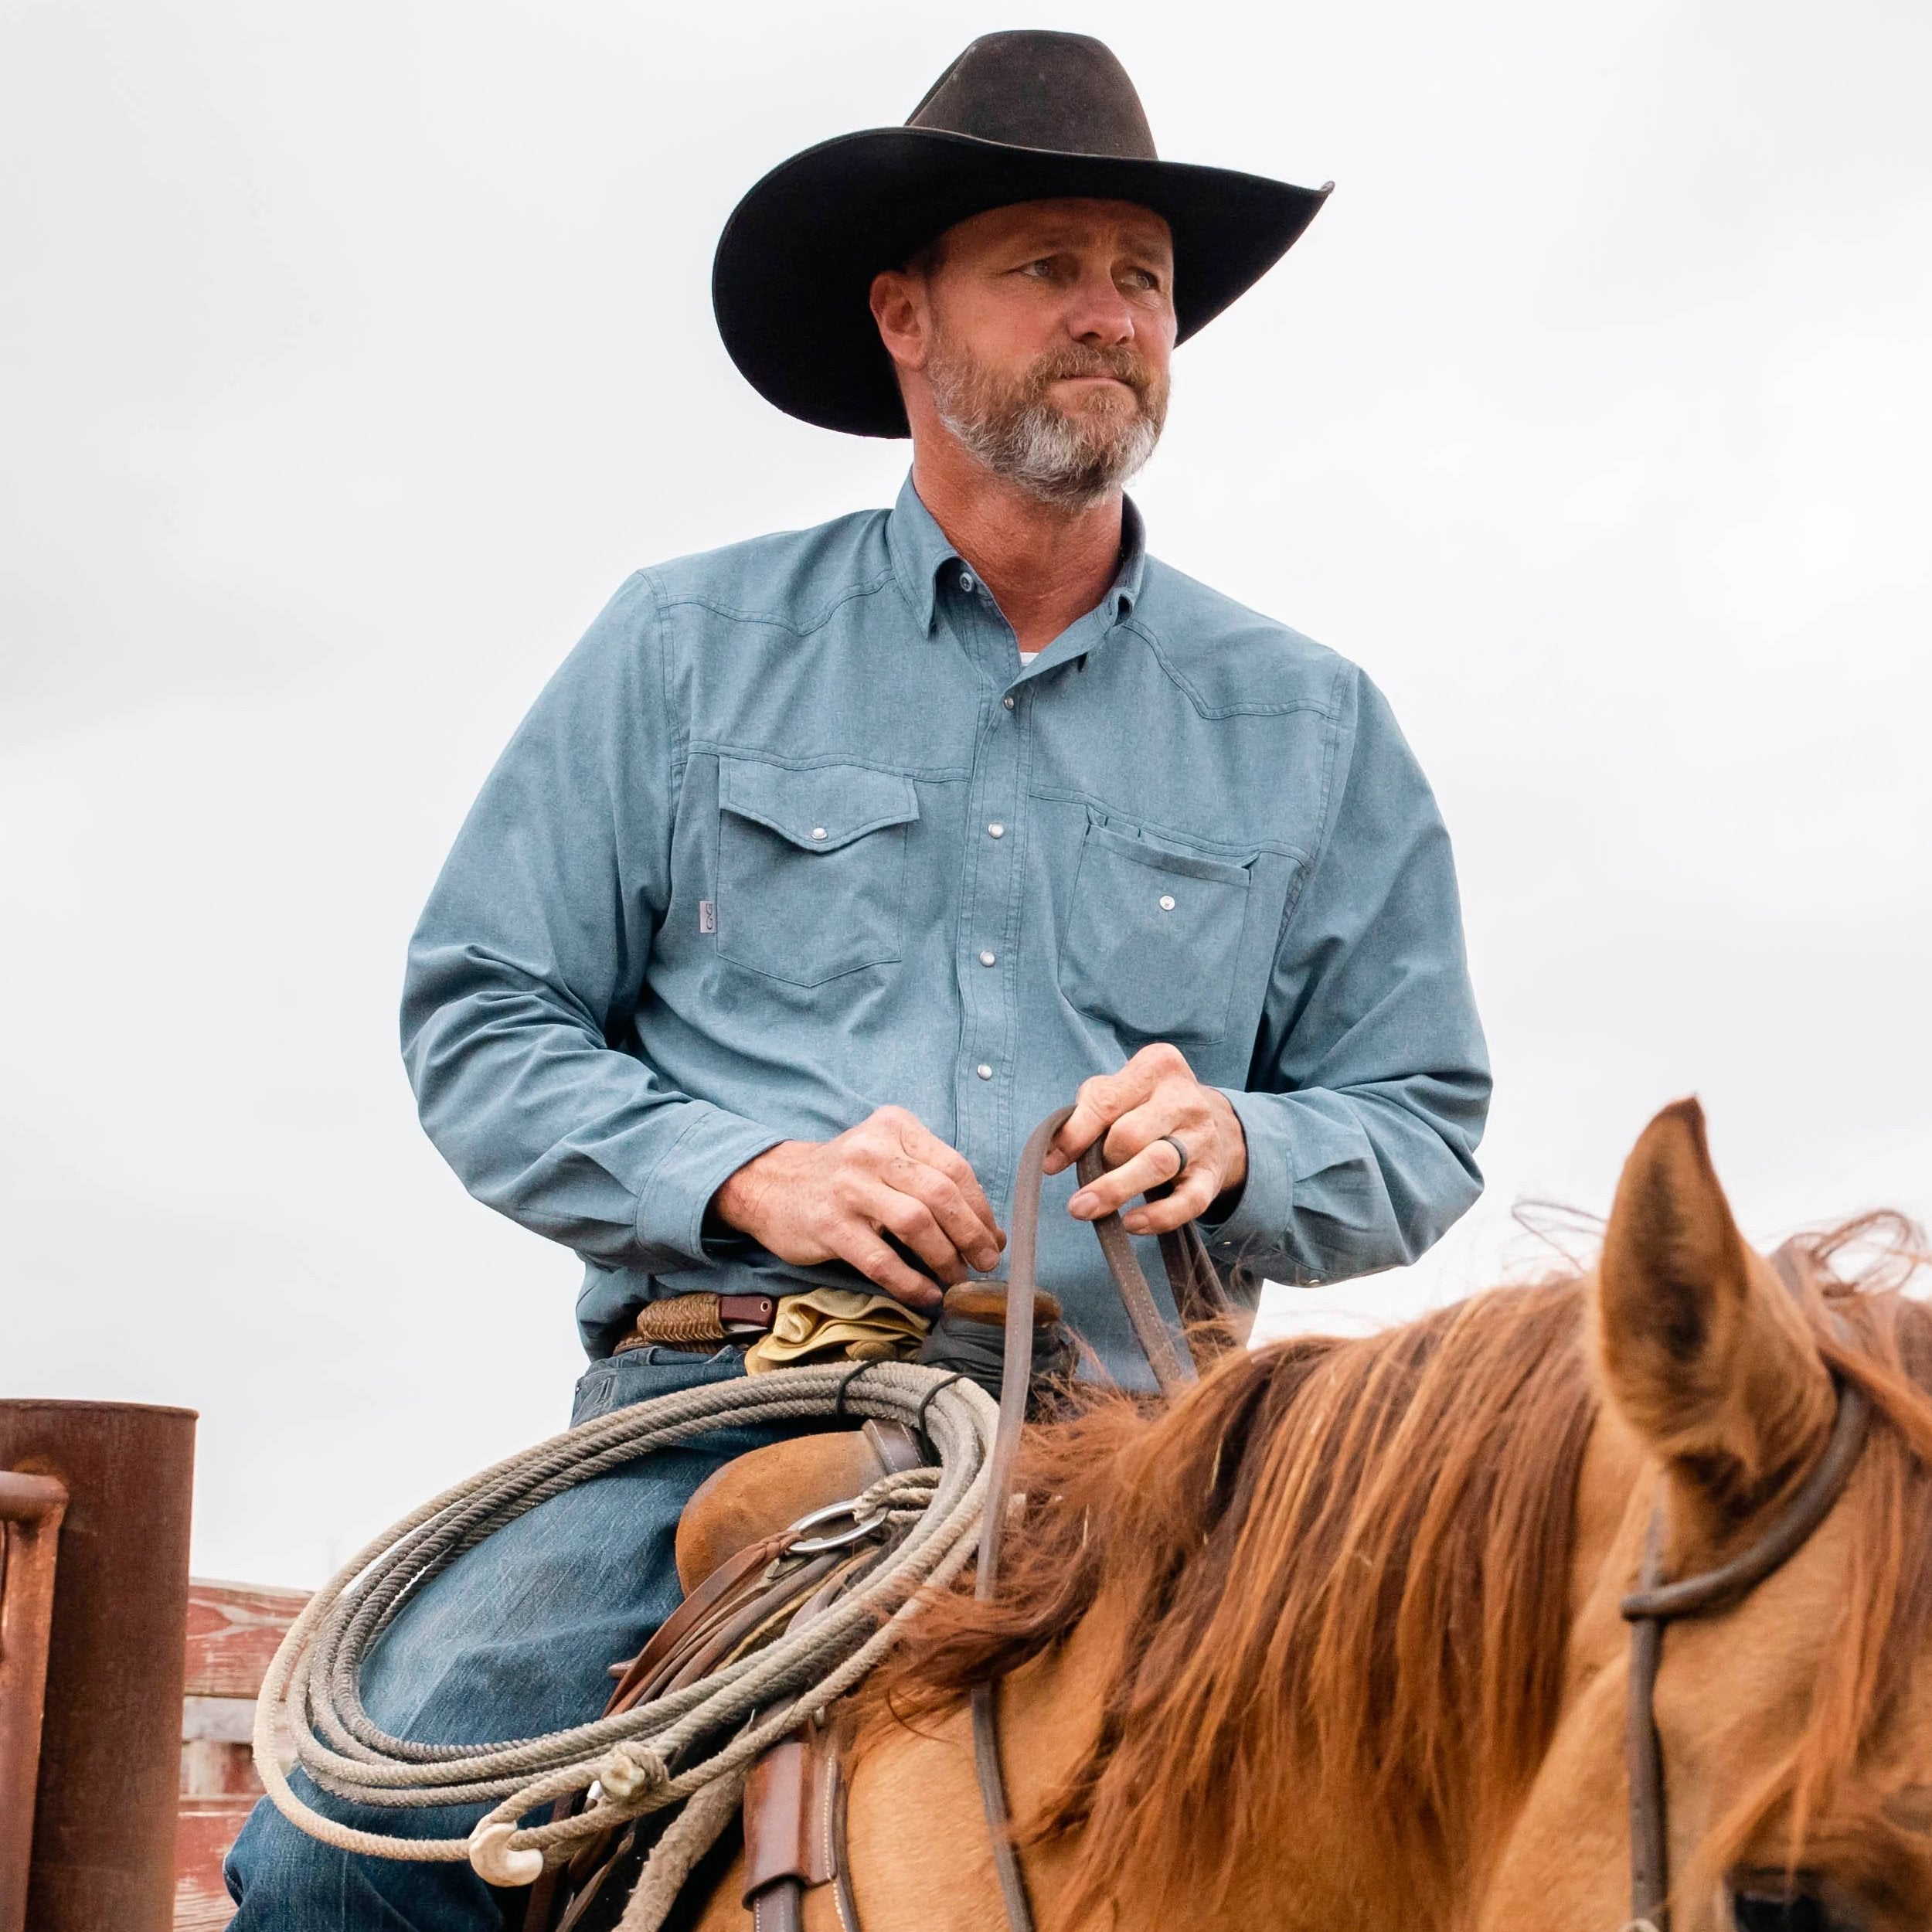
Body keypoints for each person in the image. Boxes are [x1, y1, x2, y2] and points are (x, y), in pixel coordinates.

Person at [228, 29, 1489, 1929]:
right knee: (338, 1864)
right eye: (1047, 266)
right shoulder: (682, 646)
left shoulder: (1309, 722)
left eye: (1139, 279)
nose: (1108, 314)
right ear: (905, 318)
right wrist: (746, 1173)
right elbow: (481, 1013)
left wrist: (1242, 1142)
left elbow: (1420, 1116)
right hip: (726, 1414)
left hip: (1150, 1446)